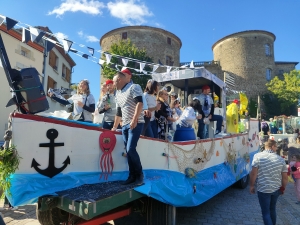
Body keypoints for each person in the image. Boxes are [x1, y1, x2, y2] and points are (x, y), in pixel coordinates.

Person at [112, 72, 144, 186]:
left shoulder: (134, 87)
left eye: (114, 81)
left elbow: (140, 102)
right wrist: (114, 127)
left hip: (136, 123)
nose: (113, 84)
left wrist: (134, 119)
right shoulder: (117, 93)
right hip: (124, 124)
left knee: (131, 149)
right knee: (128, 151)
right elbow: (118, 112)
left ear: (120, 80)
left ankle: (140, 175)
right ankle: (132, 176)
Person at [250, 139, 288, 225]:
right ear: (272, 146)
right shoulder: (280, 159)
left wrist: (251, 185)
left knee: (266, 212)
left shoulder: (258, 156)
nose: (276, 149)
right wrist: (283, 188)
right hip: (276, 189)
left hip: (263, 189)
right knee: (272, 209)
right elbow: (285, 177)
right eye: (276, 147)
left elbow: (253, 173)